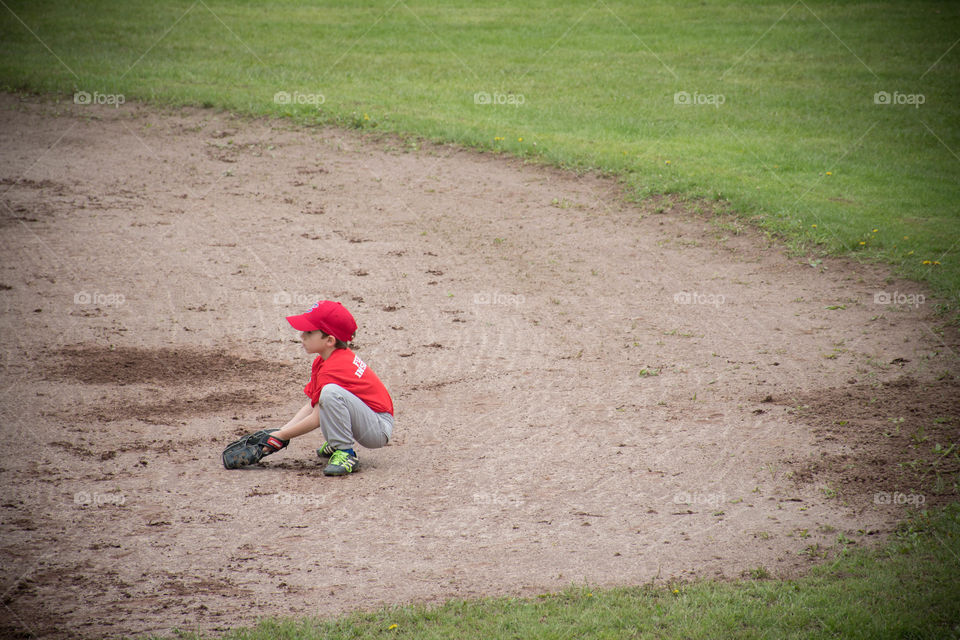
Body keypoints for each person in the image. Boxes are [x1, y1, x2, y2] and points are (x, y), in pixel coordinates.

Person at [221, 300, 394, 475]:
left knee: (330, 394)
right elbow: (313, 405)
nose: (302, 335)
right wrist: (281, 431)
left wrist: (281, 437)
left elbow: (316, 418)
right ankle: (338, 440)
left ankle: (345, 452)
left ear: (329, 340)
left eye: (309, 332)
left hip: (378, 428)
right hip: (367, 419)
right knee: (326, 397)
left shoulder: (334, 367)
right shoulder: (324, 361)